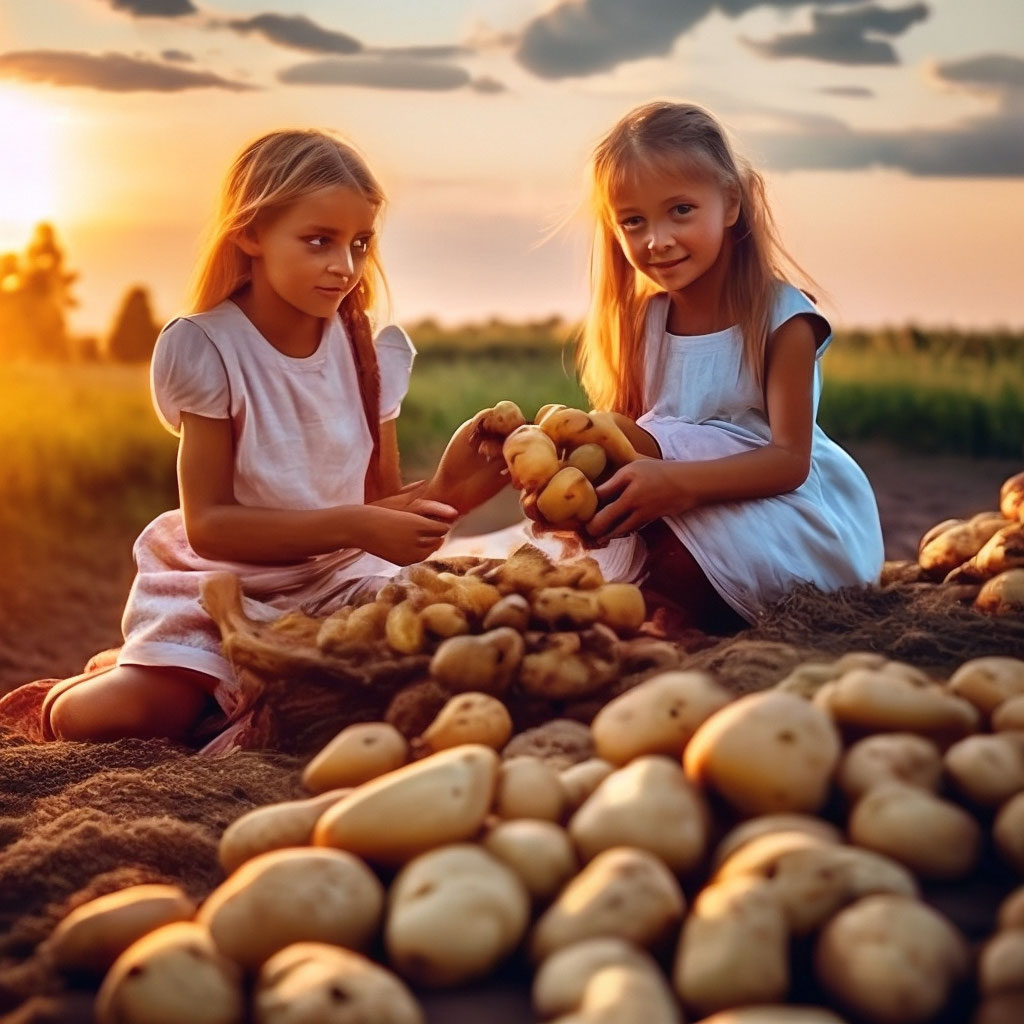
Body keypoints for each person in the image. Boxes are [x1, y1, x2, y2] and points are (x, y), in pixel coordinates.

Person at [10, 128, 506, 745]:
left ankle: (228, 690)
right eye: (319, 241)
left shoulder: (371, 353)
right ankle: (109, 685)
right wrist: (357, 526)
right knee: (138, 716)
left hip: (340, 580)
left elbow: (378, 510)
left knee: (424, 664)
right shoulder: (210, 347)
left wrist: (456, 486)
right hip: (225, 584)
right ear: (250, 234)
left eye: (359, 244)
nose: (344, 267)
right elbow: (210, 524)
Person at [572, 100, 884, 631]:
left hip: (779, 513)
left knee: (680, 544)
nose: (658, 239)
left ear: (731, 204)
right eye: (633, 221)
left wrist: (680, 484)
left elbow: (788, 461)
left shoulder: (783, 319)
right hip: (679, 509)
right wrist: (576, 491)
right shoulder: (641, 324)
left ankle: (678, 601)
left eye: (681, 210)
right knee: (610, 479)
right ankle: (663, 606)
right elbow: (622, 443)